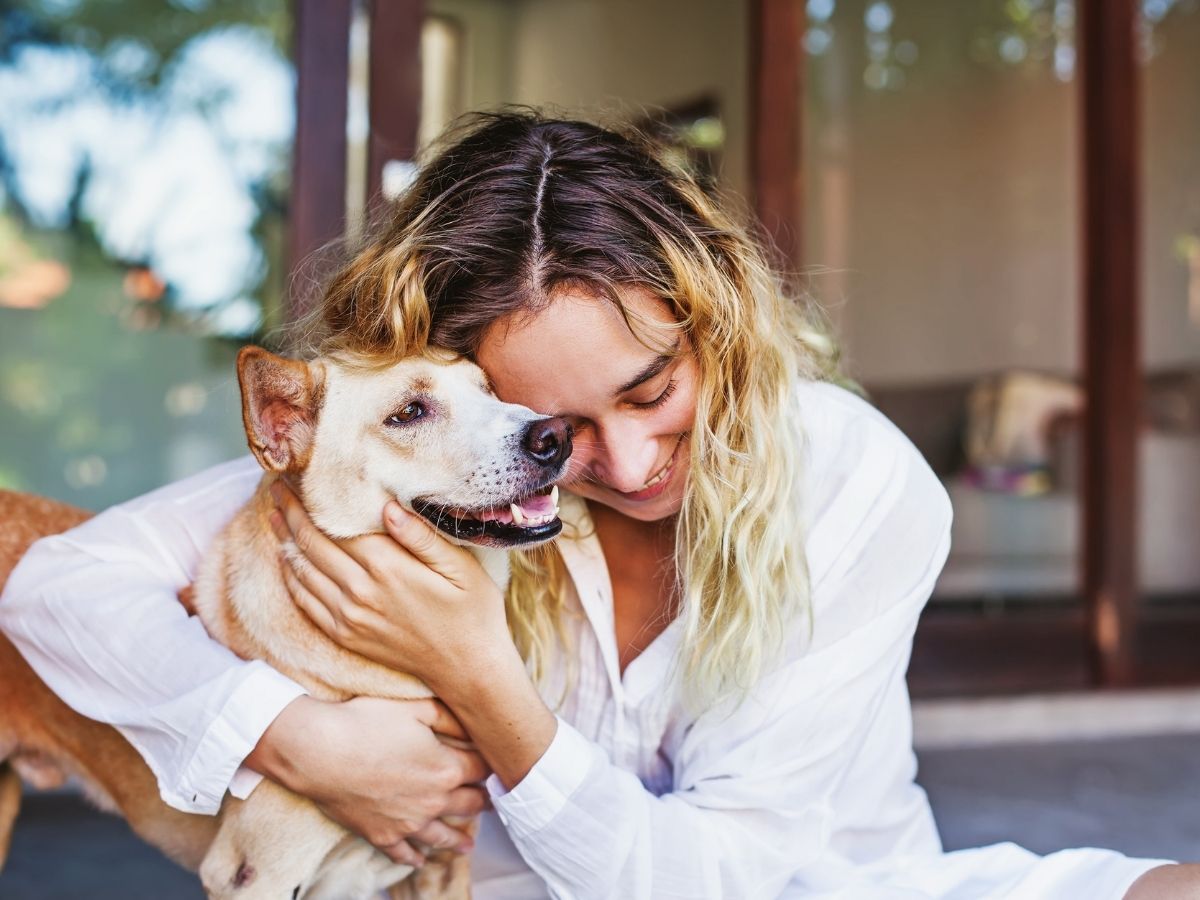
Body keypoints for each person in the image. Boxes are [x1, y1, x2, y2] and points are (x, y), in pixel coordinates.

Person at [0, 111, 1192, 899]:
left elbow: (717, 876)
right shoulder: (438, 466)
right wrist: (297, 733)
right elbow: (56, 586)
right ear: (475, 400)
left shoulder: (853, 477)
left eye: (654, 390)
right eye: (553, 433)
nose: (626, 466)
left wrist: (479, 676)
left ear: (712, 317)